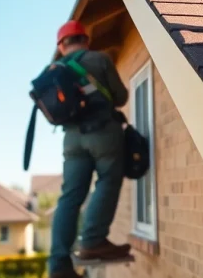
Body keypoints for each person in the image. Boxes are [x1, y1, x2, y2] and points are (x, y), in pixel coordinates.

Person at [47, 19, 132, 278]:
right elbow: (121, 97)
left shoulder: (54, 69)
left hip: (71, 140)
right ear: (85, 40)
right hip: (102, 133)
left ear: (61, 46)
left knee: (70, 196)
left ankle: (59, 264)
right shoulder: (100, 59)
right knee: (108, 179)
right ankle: (93, 240)